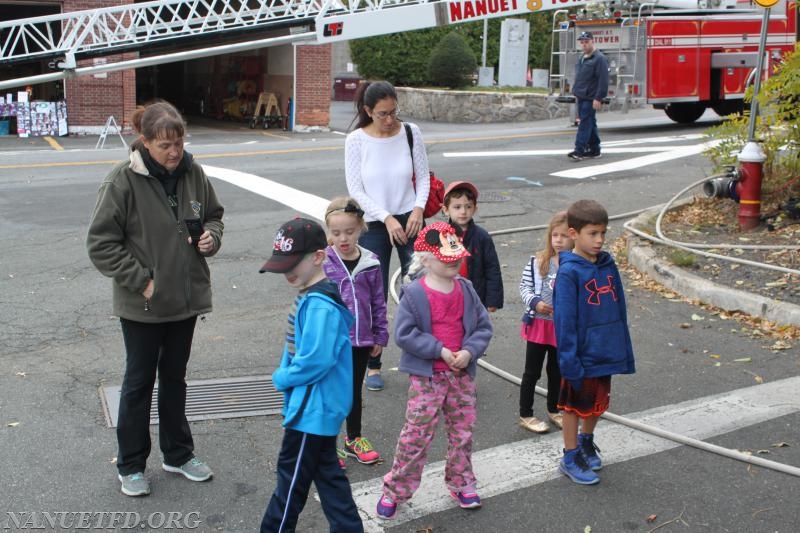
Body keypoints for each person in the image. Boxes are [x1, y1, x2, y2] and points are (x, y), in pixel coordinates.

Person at [86, 101, 224, 497]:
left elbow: (213, 214)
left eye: (178, 142)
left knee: (175, 380)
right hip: (143, 304)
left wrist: (212, 237)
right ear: (144, 141)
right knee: (138, 383)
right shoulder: (122, 181)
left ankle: (178, 454)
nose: (174, 151)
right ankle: (130, 465)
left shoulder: (193, 172)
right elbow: (100, 244)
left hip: (185, 301)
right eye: (165, 144)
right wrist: (141, 280)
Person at [377, 222, 493, 520]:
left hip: (461, 376)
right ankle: (396, 489)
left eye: (457, 255)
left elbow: (482, 326)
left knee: (462, 433)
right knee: (416, 435)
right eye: (446, 257)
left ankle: (461, 481)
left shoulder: (466, 289)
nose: (454, 260)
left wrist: (468, 352)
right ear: (425, 260)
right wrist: (439, 350)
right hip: (427, 378)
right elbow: (404, 334)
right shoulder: (414, 294)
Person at [258, 217, 364, 533]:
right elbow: (297, 349)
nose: (287, 271)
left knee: (290, 482)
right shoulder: (310, 296)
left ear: (318, 257)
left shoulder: (319, 305)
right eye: (282, 265)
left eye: (293, 264)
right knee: (328, 476)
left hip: (312, 411)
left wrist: (283, 378)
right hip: (315, 407)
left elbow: (314, 361)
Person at [345, 80, 431, 391]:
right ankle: (373, 364)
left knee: (420, 290)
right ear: (368, 111)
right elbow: (355, 190)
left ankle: (421, 360)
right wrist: (386, 217)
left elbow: (422, 176)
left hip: (411, 217)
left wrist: (419, 209)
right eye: (382, 113)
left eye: (394, 112)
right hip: (375, 222)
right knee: (373, 295)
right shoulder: (356, 141)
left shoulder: (410, 132)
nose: (390, 119)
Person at [554, 200, 636, 485]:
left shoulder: (607, 265)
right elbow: (564, 320)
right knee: (573, 408)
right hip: (580, 354)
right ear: (574, 233)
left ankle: (586, 442)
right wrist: (568, 359)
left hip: (606, 349)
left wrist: (621, 346)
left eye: (603, 233)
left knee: (597, 405)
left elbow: (619, 309)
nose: (600, 240)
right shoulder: (569, 273)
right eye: (593, 233)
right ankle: (570, 455)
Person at [322, 197, 389, 467]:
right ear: (328, 232)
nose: (343, 238)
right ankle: (327, 444)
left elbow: (378, 301)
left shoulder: (371, 262)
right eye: (336, 233)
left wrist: (380, 335)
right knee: (330, 392)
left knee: (352, 393)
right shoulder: (323, 262)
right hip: (331, 343)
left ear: (360, 227)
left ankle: (354, 438)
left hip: (361, 340)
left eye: (349, 231)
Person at [518, 211, 572, 434]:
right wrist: (536, 303)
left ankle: (554, 409)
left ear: (573, 237)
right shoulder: (538, 262)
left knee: (557, 371)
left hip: (561, 328)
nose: (558, 240)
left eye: (563, 236)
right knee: (532, 371)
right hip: (539, 325)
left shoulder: (574, 266)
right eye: (554, 235)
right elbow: (524, 288)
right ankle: (526, 413)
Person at [441, 180, 503, 312]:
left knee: (474, 328)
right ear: (446, 210)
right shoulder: (441, 236)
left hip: (475, 295)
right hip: (447, 295)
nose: (463, 211)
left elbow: (492, 268)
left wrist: (493, 299)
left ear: (475, 209)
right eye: (457, 207)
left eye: (468, 206)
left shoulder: (482, 237)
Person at [567, 31, 609, 162]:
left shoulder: (599, 58)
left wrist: (598, 98)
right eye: (582, 42)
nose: (584, 45)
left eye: (586, 42)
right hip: (581, 95)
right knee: (590, 122)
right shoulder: (583, 57)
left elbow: (603, 80)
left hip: (591, 97)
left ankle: (579, 151)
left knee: (584, 122)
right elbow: (580, 77)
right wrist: (575, 91)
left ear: (592, 41)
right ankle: (595, 150)